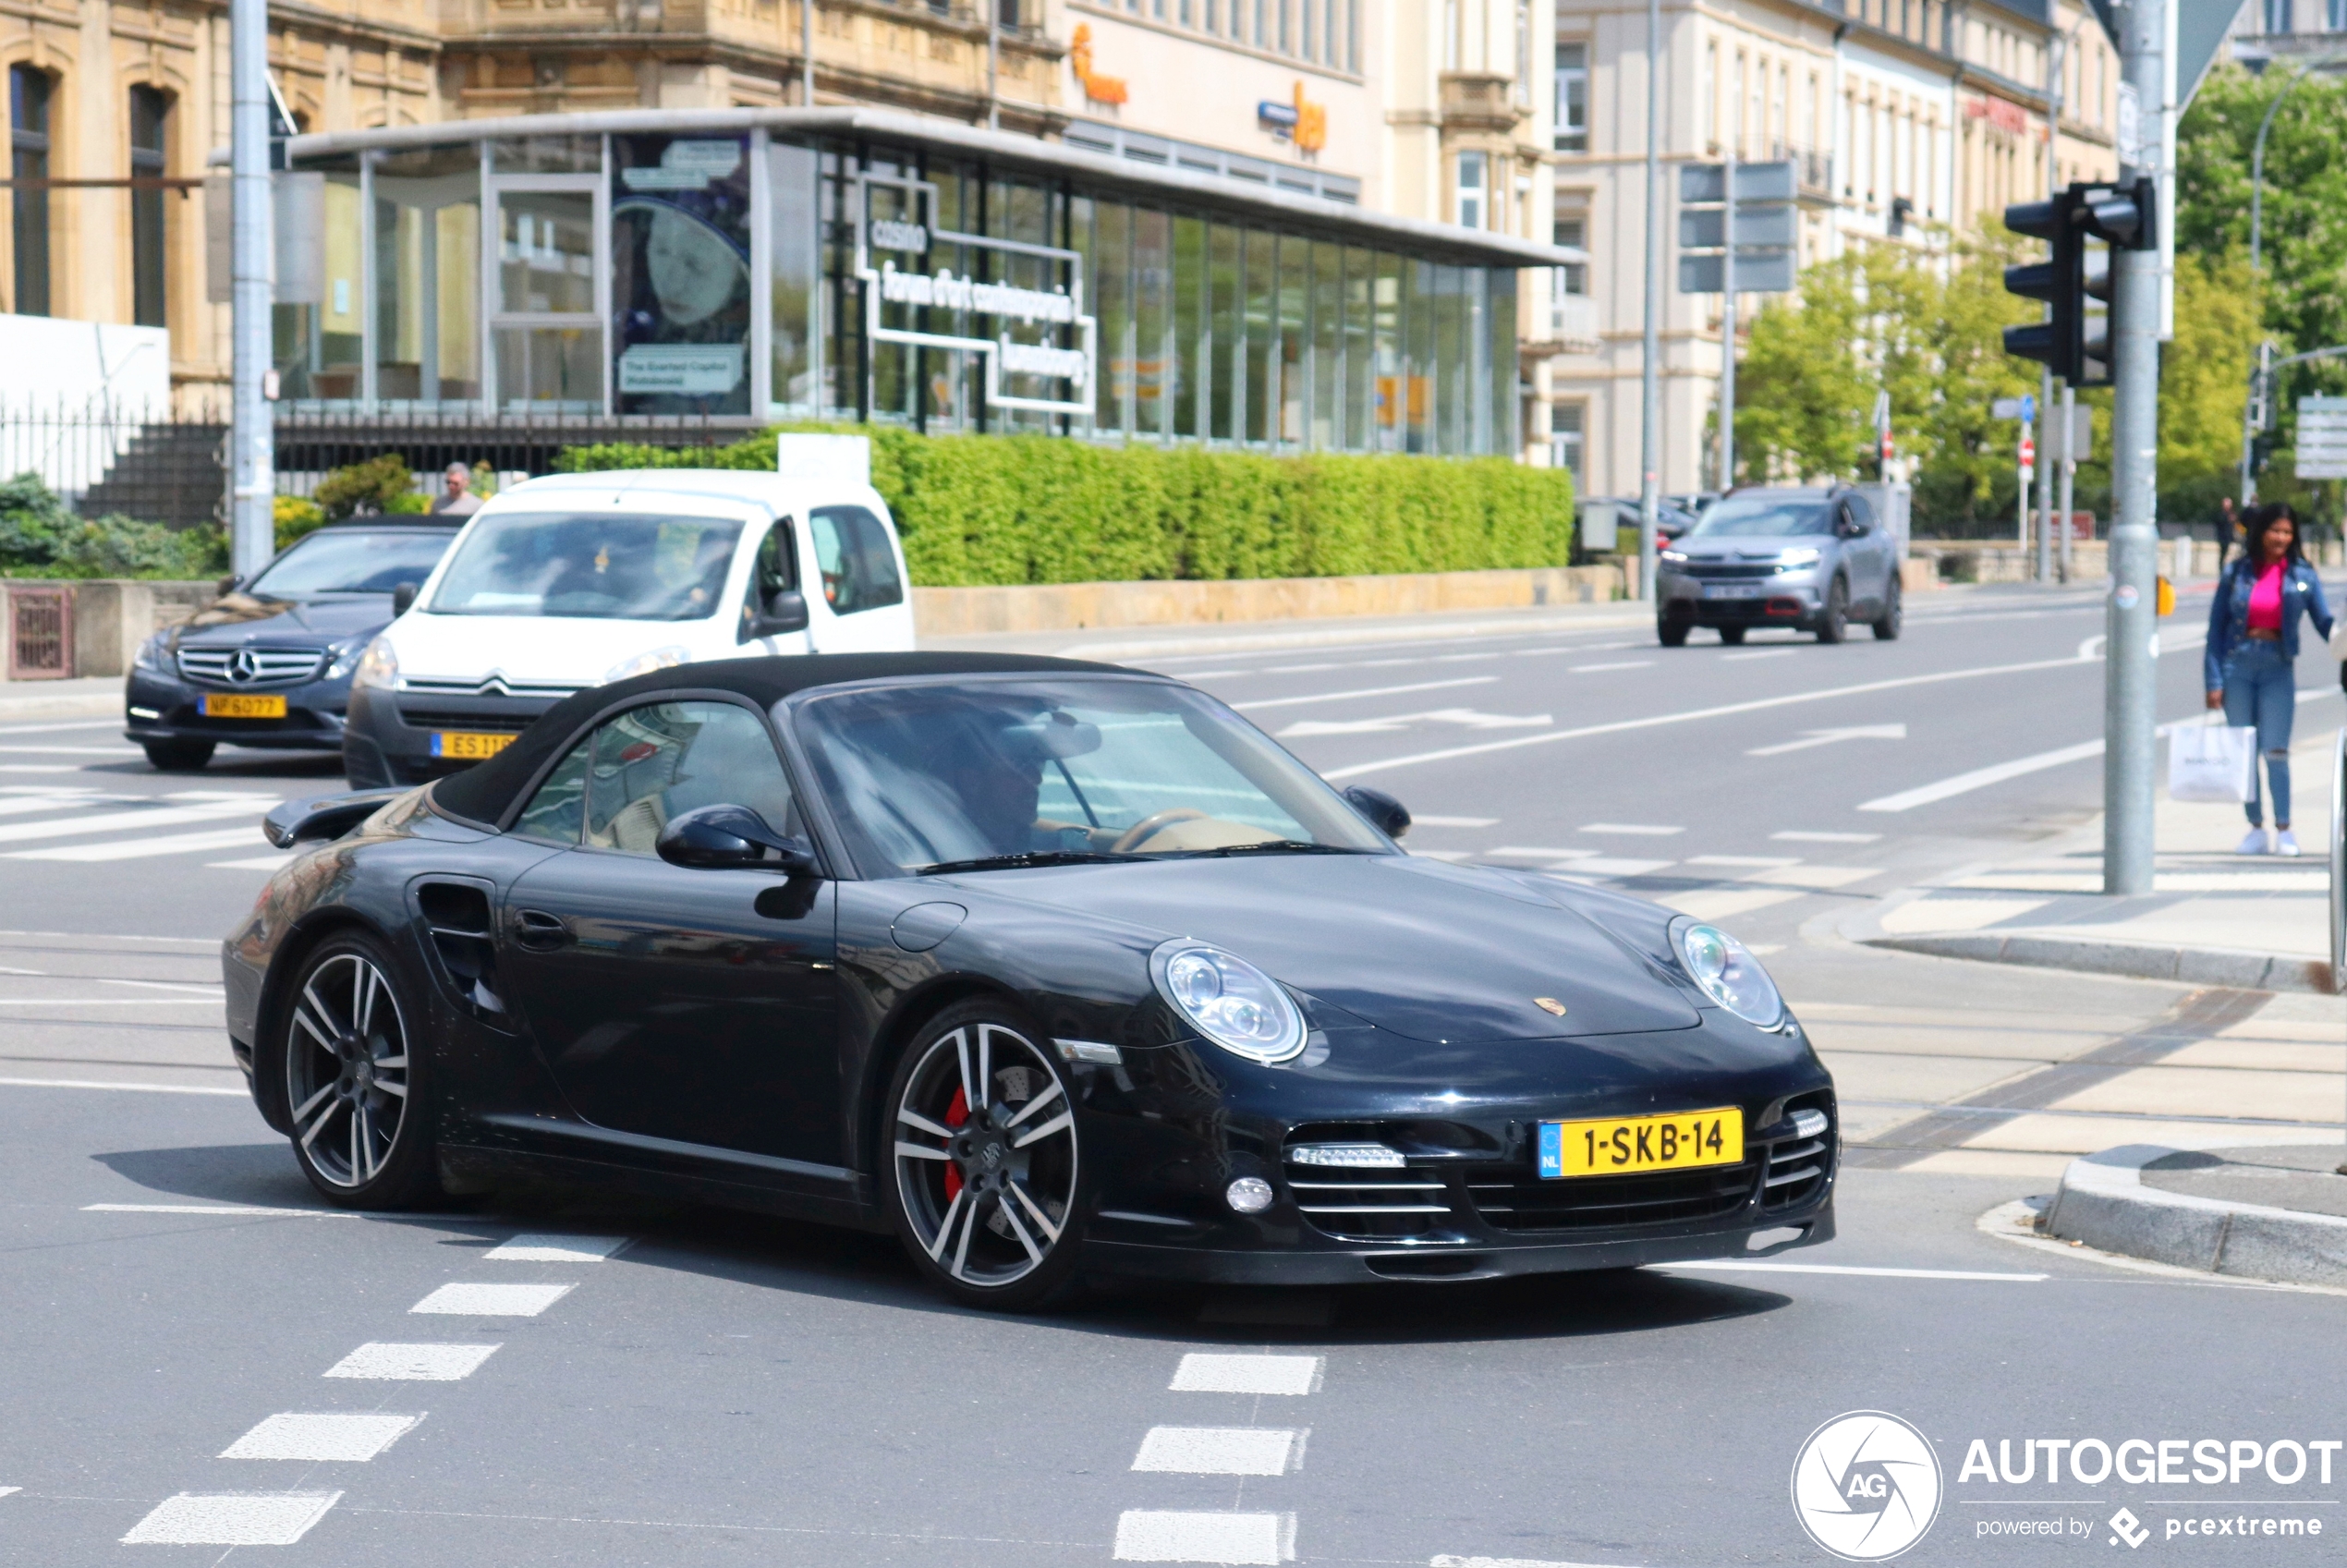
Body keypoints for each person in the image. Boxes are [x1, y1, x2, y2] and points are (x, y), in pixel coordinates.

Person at [2204, 502, 2334, 855]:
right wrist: (2213, 681)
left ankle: (2285, 828)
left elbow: (2324, 622)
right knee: (2244, 751)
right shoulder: (2237, 573)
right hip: (2238, 665)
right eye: (2275, 530)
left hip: (2278, 666)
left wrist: (2341, 639)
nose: (2280, 537)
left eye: (2287, 531)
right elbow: (2216, 630)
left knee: (2276, 750)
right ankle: (2256, 827)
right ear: (2261, 532)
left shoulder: (2302, 575)